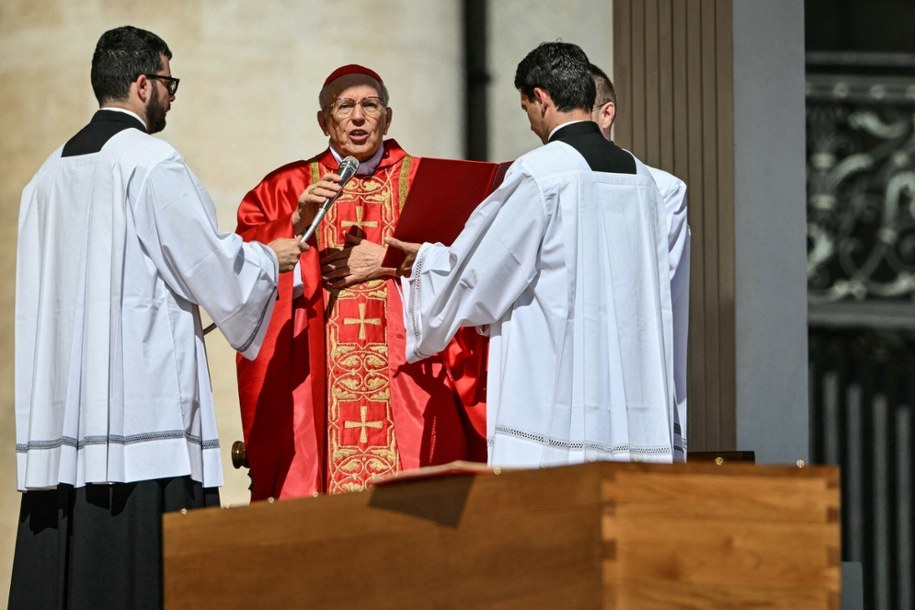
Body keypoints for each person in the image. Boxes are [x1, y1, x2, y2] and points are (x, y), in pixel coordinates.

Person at [11, 25, 306, 609]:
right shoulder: (151, 162)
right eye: (170, 83)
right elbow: (209, 264)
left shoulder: (44, 177)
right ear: (143, 84)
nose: (173, 96)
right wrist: (269, 257)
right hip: (140, 416)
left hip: (63, 417)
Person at [386, 42, 677, 468]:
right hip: (630, 397)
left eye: (525, 109)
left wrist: (426, 263)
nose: (530, 125)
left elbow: (482, 274)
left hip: (555, 400)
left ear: (540, 99)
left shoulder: (542, 173)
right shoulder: (643, 180)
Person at [235, 64, 486, 500]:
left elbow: (473, 269)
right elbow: (240, 270)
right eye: (345, 106)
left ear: (387, 118)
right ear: (324, 121)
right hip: (315, 380)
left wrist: (389, 263)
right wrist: (296, 228)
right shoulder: (285, 187)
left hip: (408, 380)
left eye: (370, 106)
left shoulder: (429, 183)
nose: (358, 117)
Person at [590, 63, 690, 460]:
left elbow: (656, 286)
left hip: (634, 370)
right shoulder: (539, 179)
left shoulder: (661, 190)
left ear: (606, 113)